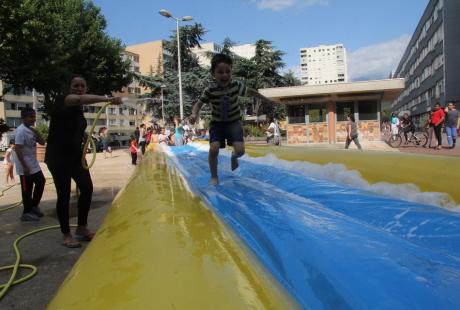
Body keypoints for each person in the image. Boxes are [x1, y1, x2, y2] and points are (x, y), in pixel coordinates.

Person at [45, 76, 122, 248]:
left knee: (87, 188)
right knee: (63, 195)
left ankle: (81, 228)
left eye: (82, 86)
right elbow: (78, 99)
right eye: (76, 85)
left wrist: (85, 136)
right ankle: (66, 234)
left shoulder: (78, 109)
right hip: (58, 157)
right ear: (70, 88)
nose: (79, 88)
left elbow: (74, 126)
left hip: (75, 156)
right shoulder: (64, 100)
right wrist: (108, 99)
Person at [190, 53, 276, 185]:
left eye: (227, 71)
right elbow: (199, 104)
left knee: (240, 151)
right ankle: (214, 176)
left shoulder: (236, 85)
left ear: (231, 71)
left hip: (233, 123)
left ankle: (234, 157)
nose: (224, 75)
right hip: (217, 124)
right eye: (220, 72)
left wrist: (266, 100)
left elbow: (251, 92)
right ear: (213, 74)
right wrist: (194, 114)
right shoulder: (210, 90)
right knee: (214, 148)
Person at [13, 107, 46, 221]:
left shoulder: (32, 130)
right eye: (30, 117)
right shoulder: (21, 131)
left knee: (41, 182)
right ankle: (26, 213)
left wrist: (37, 132)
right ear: (23, 118)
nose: (33, 119)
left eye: (34, 116)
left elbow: (42, 142)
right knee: (27, 189)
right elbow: (17, 149)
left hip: (33, 163)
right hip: (24, 165)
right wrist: (24, 166)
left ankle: (34, 206)